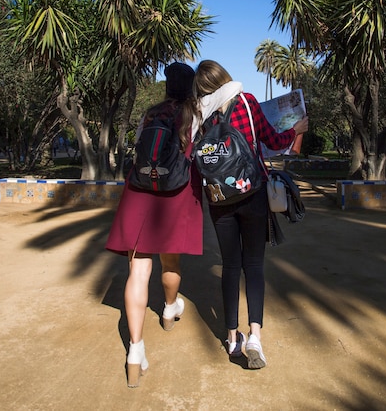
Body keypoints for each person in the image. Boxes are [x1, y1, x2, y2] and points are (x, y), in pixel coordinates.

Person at [105, 62, 242, 387]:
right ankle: (169, 309)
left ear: (167, 85)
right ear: (191, 85)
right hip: (176, 193)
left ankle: (135, 352)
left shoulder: (150, 113)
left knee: (138, 271)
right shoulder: (195, 110)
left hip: (140, 192)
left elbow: (139, 149)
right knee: (170, 259)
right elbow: (233, 86)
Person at [192, 60, 309, 369]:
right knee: (253, 265)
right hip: (253, 191)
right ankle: (254, 335)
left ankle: (232, 338)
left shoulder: (199, 117)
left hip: (219, 200)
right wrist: (294, 131)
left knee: (230, 266)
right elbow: (272, 141)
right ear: (225, 78)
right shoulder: (247, 101)